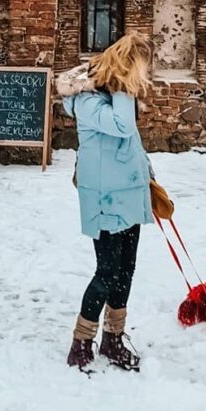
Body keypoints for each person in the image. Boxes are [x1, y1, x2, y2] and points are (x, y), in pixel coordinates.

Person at [58, 33, 153, 372]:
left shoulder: (113, 97)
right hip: (105, 197)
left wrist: (148, 178)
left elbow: (133, 145)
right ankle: (81, 340)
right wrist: (123, 88)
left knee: (126, 269)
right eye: (139, 70)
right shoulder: (88, 101)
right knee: (107, 271)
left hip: (129, 193)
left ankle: (113, 337)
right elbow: (123, 127)